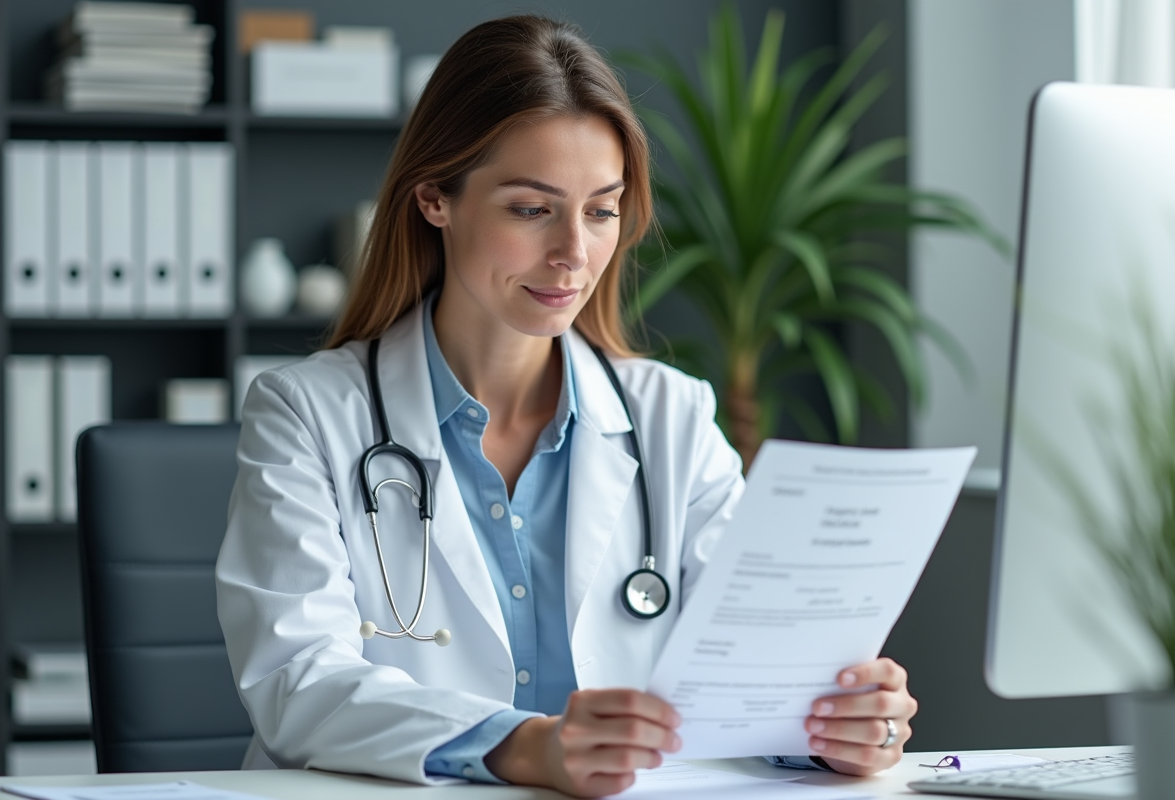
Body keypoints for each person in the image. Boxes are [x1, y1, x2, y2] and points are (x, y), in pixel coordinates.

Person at [215, 14, 917, 798]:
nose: (573, 254)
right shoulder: (307, 413)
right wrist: (524, 747)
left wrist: (840, 726)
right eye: (531, 208)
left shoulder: (672, 418)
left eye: (602, 209)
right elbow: (298, 682)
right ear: (434, 199)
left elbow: (753, 673)